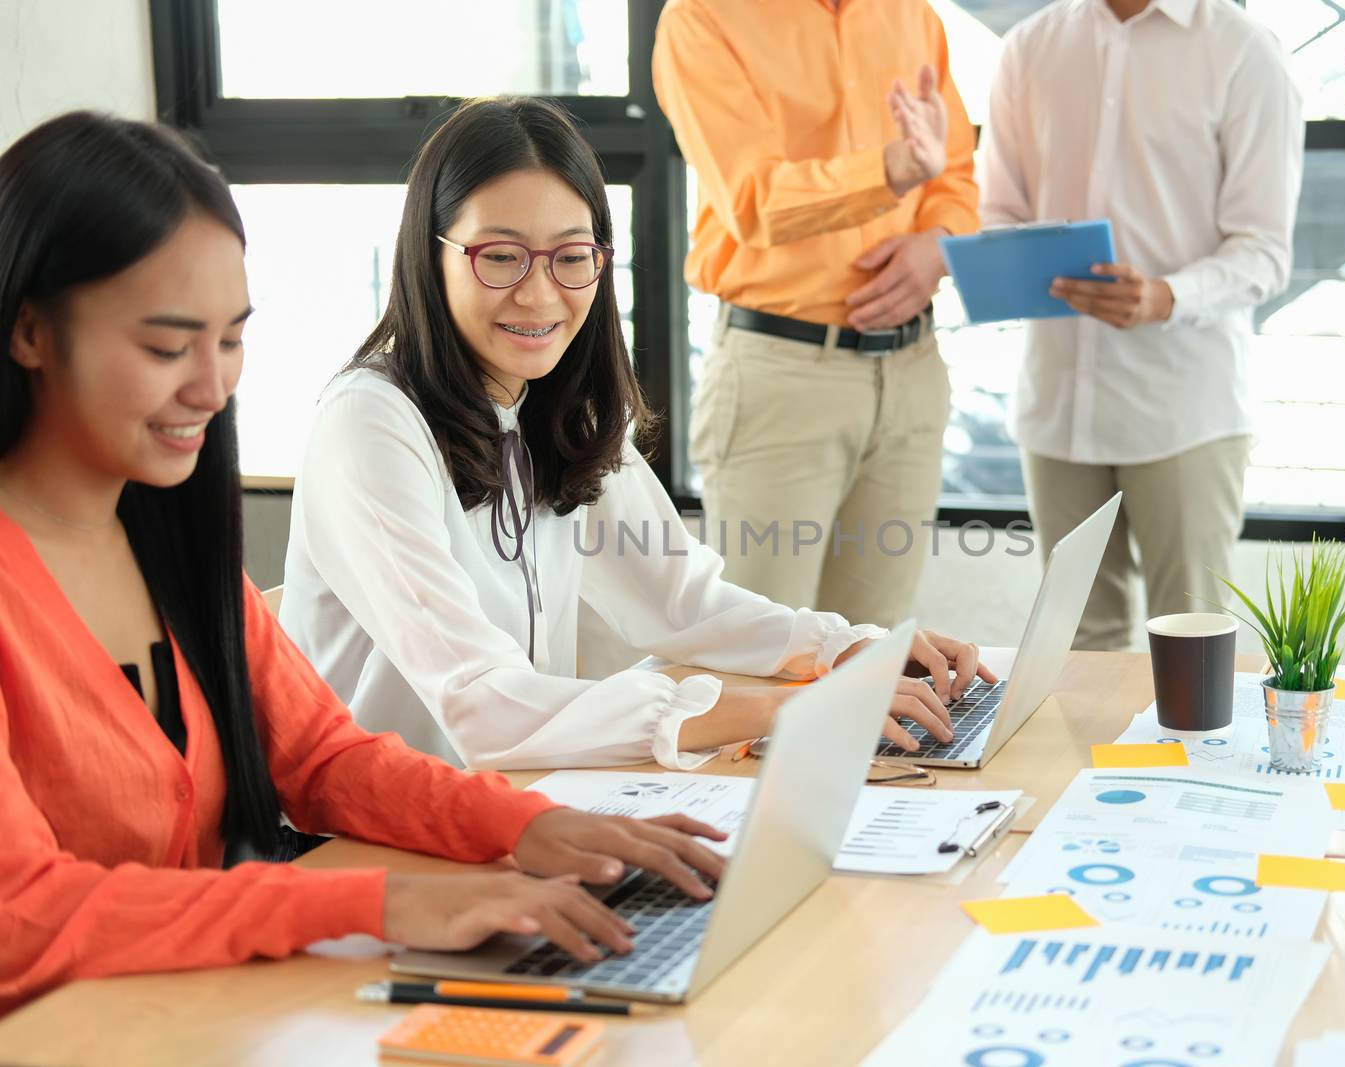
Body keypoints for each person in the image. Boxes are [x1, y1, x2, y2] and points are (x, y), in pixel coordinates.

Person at [0, 111, 729, 1014]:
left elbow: (321, 758)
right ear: (29, 332)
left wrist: (532, 825)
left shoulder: (163, 547)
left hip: (188, 1008)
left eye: (231, 340)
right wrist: (384, 898)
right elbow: (21, 915)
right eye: (164, 345)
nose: (212, 386)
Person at [280, 97, 993, 774]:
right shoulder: (370, 423)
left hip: (514, 809)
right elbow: (481, 700)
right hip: (366, 842)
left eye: (570, 255)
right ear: (430, 256)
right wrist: (794, 707)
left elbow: (682, 600)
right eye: (499, 256)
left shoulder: (554, 403)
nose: (539, 292)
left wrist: (850, 650)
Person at [980, 0, 1304, 649]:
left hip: (1183, 410)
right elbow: (998, 211)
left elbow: (1265, 249)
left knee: (1193, 650)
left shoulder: (1244, 51)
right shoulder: (1028, 49)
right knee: (1072, 650)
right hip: (1057, 407)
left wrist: (1166, 296)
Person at [652, 0, 979, 626]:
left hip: (912, 372)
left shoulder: (915, 15)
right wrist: (891, 169)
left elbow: (955, 170)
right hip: (783, 376)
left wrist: (938, 242)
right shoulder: (703, 17)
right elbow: (753, 202)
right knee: (763, 653)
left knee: (876, 660)